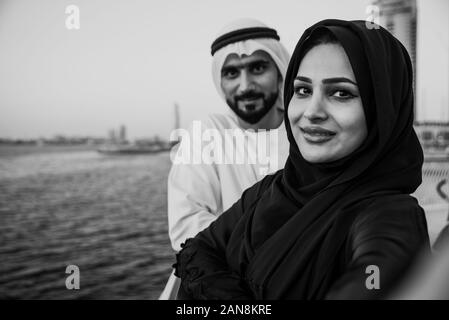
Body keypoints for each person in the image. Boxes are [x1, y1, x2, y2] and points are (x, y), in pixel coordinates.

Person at [174, 19, 430, 300]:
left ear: (382, 108)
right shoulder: (276, 186)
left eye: (341, 93)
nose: (312, 112)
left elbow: (375, 277)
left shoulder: (389, 217)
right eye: (304, 90)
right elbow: (197, 245)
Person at [160, 18, 290, 299]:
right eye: (232, 73)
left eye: (257, 68)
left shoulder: (305, 130)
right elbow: (186, 225)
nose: (245, 86)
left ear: (280, 71)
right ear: (219, 81)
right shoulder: (208, 133)